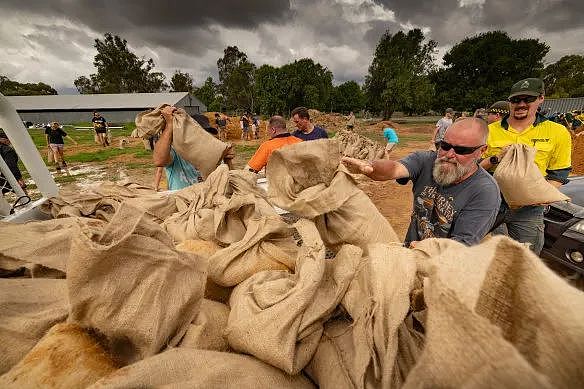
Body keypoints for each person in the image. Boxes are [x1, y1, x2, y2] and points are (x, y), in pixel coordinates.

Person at [343, 118, 500, 247]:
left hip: (443, 270)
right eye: (444, 146)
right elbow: (395, 168)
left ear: (482, 151)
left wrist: (427, 249)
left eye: (461, 150)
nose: (449, 154)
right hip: (411, 256)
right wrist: (370, 166)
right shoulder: (426, 161)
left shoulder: (485, 191)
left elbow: (463, 245)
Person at [480, 78, 572, 255]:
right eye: (516, 100)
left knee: (526, 257)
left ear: (541, 98)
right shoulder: (490, 130)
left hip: (529, 208)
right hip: (491, 202)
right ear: (509, 102)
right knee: (484, 251)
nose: (521, 104)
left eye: (527, 99)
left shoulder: (557, 132)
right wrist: (496, 158)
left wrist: (541, 195)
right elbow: (475, 168)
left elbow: (559, 172)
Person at [153, 106, 234, 190]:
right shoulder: (176, 153)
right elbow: (159, 160)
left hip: (206, 201)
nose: (205, 138)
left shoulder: (213, 155)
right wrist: (169, 126)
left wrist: (228, 160)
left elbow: (229, 184)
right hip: (181, 201)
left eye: (207, 134)